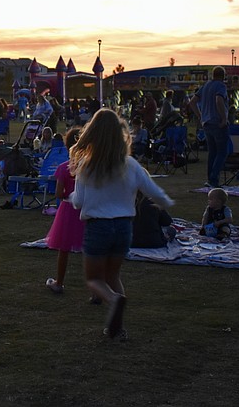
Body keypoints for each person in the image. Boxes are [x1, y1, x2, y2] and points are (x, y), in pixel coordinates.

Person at [69, 109, 174, 340]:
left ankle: (114, 301)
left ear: (92, 133)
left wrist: (71, 199)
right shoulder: (131, 165)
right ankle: (119, 328)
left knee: (94, 279)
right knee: (113, 276)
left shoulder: (87, 165)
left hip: (98, 227)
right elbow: (154, 191)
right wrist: (166, 203)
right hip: (125, 227)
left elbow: (79, 202)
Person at [44, 128, 84, 294]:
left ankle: (59, 282)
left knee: (64, 248)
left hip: (68, 209)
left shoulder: (63, 168)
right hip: (86, 208)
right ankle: (96, 288)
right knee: (90, 248)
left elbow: (58, 193)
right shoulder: (88, 167)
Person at [188, 66, 229, 189]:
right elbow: (219, 100)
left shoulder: (205, 86)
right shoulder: (221, 86)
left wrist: (201, 116)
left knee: (212, 152)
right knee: (222, 152)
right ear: (223, 76)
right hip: (217, 122)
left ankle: (210, 180)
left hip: (206, 123)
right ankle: (213, 179)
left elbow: (192, 102)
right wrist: (224, 118)